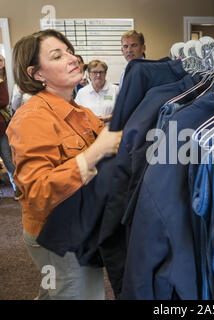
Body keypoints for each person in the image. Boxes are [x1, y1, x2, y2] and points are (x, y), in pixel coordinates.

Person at [7, 29, 122, 300]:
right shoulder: (32, 117)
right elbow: (38, 191)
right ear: (37, 74)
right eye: (57, 56)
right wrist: (95, 154)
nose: (72, 59)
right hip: (55, 234)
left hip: (78, 225)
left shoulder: (80, 113)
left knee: (55, 291)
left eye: (69, 51)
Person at [0, 54, 22, 200]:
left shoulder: (6, 80)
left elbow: (4, 100)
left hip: (2, 127)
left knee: (8, 159)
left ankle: (18, 188)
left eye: (0, 60)